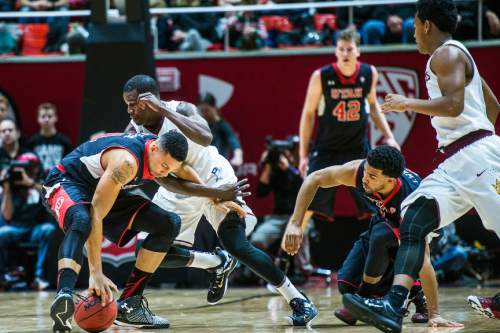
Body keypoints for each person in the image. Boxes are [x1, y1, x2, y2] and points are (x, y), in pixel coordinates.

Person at [341, 1, 500, 332]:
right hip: (456, 160)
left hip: (477, 155)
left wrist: (406, 103)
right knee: (413, 220)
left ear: (427, 25)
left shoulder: (446, 53)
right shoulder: (459, 57)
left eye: (414, 27)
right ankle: (393, 303)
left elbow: (454, 106)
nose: (413, 34)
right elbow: (493, 107)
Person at [123, 74, 318, 326]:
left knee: (235, 243)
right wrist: (208, 195)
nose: (129, 110)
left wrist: (162, 109)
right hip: (182, 188)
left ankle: (299, 299)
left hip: (215, 177)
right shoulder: (134, 133)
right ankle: (216, 262)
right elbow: (163, 179)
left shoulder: (180, 108)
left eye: (134, 104)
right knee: (147, 250)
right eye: (126, 104)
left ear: (151, 101)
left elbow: (205, 137)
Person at [43, 131, 191, 332]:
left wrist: (218, 197)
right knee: (82, 219)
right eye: (164, 166)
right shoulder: (126, 163)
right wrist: (96, 273)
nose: (165, 174)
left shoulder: (160, 150)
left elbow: (185, 171)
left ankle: (130, 305)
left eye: (170, 170)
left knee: (169, 223)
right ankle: (64, 295)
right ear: (154, 148)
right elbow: (96, 214)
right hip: (68, 181)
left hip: (103, 188)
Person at [281, 146, 432, 325]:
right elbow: (314, 178)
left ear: (391, 180)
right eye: (365, 172)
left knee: (382, 235)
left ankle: (402, 294)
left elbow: (421, 252)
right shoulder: (358, 171)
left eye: (372, 176)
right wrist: (295, 223)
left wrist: (435, 311)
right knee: (346, 285)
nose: (364, 179)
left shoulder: (413, 198)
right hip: (384, 222)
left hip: (417, 235)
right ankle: (403, 294)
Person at [298, 28, 399, 225]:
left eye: (349, 49)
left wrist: (389, 136)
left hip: (357, 148)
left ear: (358, 51)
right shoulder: (321, 76)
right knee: (306, 205)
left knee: (377, 205)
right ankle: (286, 255)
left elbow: (372, 105)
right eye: (341, 49)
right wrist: (303, 155)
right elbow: (308, 114)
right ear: (336, 51)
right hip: (327, 148)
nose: (345, 53)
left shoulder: (369, 72)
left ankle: (387, 251)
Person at [0, 118, 55, 291]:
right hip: (14, 226)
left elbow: (47, 190)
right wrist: (7, 187)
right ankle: (3, 277)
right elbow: (7, 216)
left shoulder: (30, 157)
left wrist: (29, 181)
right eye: (3, 131)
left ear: (17, 133)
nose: (7, 134)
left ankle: (39, 277)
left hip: (35, 226)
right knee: (1, 233)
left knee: (48, 229)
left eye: (10, 130)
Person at [197, 92, 244, 168]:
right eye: (202, 111)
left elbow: (233, 141)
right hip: (202, 167)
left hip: (219, 167)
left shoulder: (222, 125)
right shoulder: (197, 125)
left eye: (206, 110)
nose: (204, 114)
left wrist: (238, 156)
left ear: (214, 108)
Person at [28, 102, 72, 174]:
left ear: (55, 118)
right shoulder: (32, 141)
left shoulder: (64, 141)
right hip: (37, 181)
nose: (46, 119)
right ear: (38, 119)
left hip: (58, 179)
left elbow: (69, 164)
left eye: (50, 116)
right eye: (43, 116)